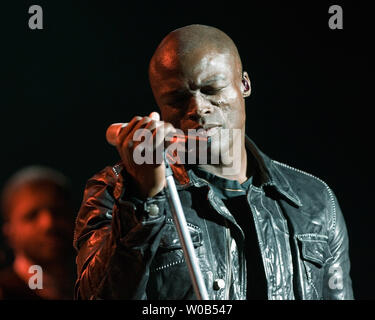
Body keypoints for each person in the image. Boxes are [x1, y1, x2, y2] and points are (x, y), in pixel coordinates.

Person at [73, 24, 353, 300]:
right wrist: (141, 201)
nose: (197, 108)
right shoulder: (114, 190)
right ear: (159, 105)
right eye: (178, 99)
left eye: (211, 89)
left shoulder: (313, 199)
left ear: (244, 84)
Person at [0, 166, 76, 299]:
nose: (49, 224)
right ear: (9, 231)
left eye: (58, 212)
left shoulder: (97, 286)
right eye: (32, 215)